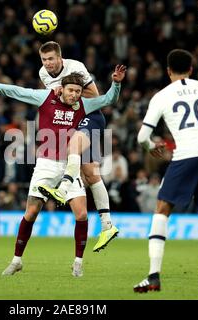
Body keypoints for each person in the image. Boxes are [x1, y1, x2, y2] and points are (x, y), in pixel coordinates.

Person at [0, 64, 126, 277]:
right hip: (46, 164)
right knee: (31, 213)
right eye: (71, 90)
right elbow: (18, 91)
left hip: (69, 166)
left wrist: (116, 83)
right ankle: (17, 260)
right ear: (61, 89)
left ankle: (78, 264)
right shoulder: (45, 98)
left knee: (81, 214)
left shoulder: (84, 105)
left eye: (78, 91)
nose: (74, 95)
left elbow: (108, 100)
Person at [134, 49, 198, 295]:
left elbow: (142, 137)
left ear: (168, 70)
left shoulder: (161, 96)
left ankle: (153, 276)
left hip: (185, 155)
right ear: (191, 69)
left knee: (162, 210)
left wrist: (151, 147)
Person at [37, 41, 119, 253]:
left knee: (75, 146)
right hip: (74, 119)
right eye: (44, 60)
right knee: (90, 173)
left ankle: (63, 189)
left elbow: (96, 97)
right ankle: (107, 225)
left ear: (60, 58)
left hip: (91, 116)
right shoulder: (43, 74)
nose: (48, 64)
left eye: (51, 59)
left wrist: (70, 91)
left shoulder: (76, 67)